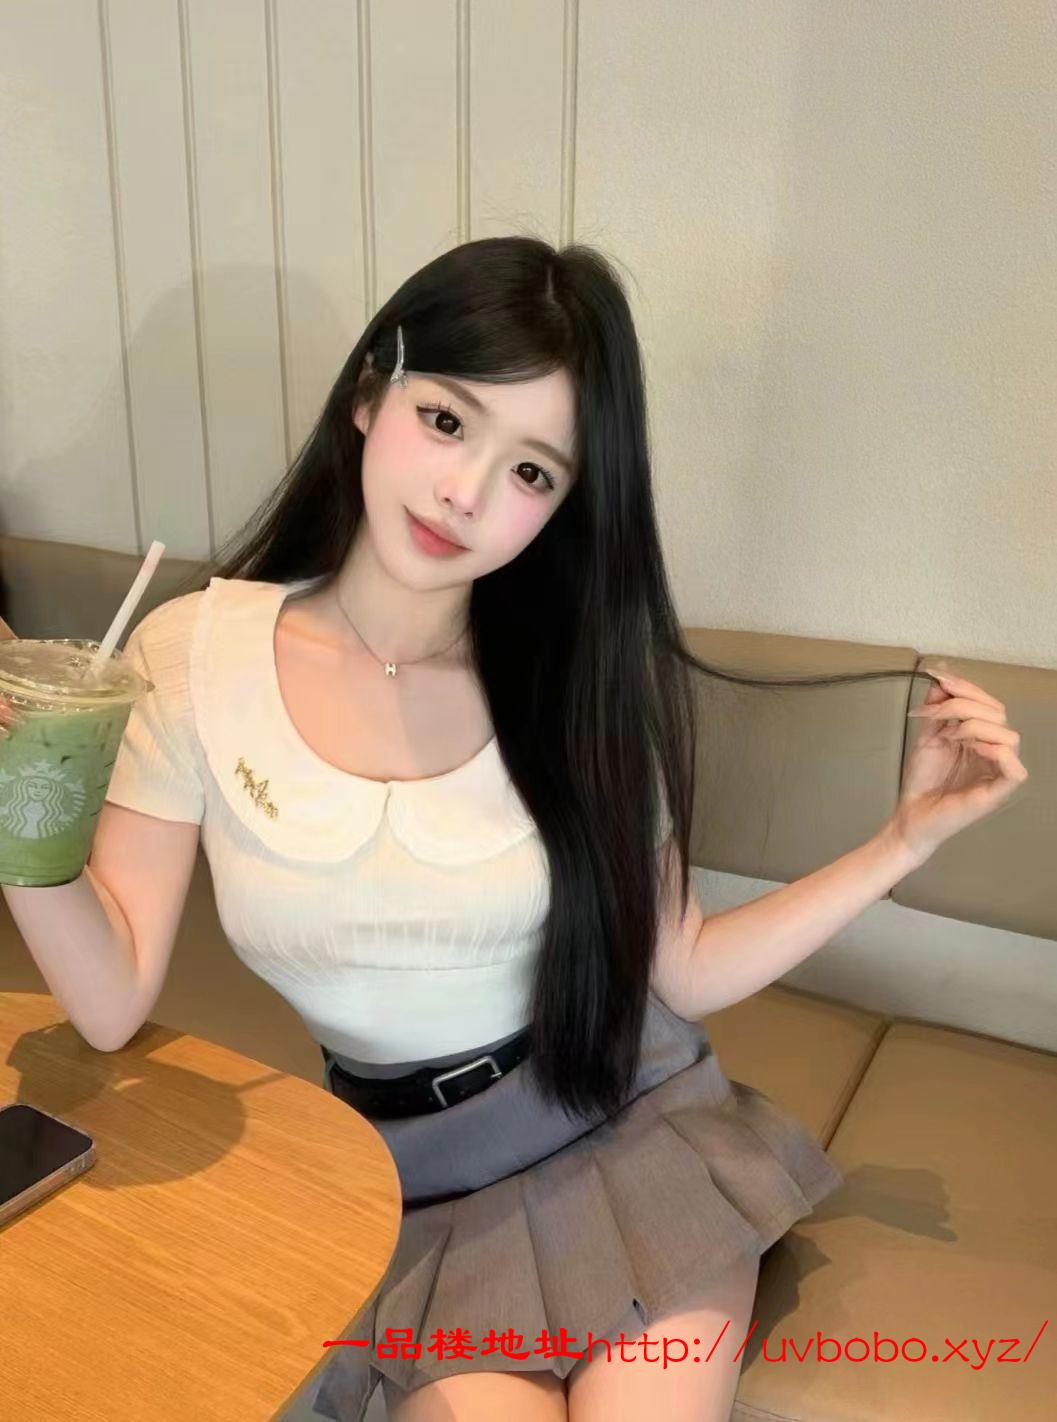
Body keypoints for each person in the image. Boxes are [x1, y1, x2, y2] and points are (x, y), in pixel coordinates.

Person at [5, 235, 1026, 1422]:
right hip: (408, 1180)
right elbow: (111, 1000)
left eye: (532, 471)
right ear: (369, 393)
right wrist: (25, 811)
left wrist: (904, 840)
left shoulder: (583, 680)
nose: (468, 493)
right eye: (446, 420)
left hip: (629, 1132)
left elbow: (683, 966)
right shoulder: (190, 657)